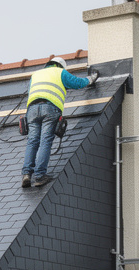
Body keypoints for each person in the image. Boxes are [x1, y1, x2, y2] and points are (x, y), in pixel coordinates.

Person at [21, 57, 97, 188]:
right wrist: (91, 79)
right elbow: (77, 83)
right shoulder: (60, 72)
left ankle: (26, 174)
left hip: (32, 110)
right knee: (45, 140)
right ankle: (39, 176)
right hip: (49, 109)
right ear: (60, 66)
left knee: (32, 141)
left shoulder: (36, 74)